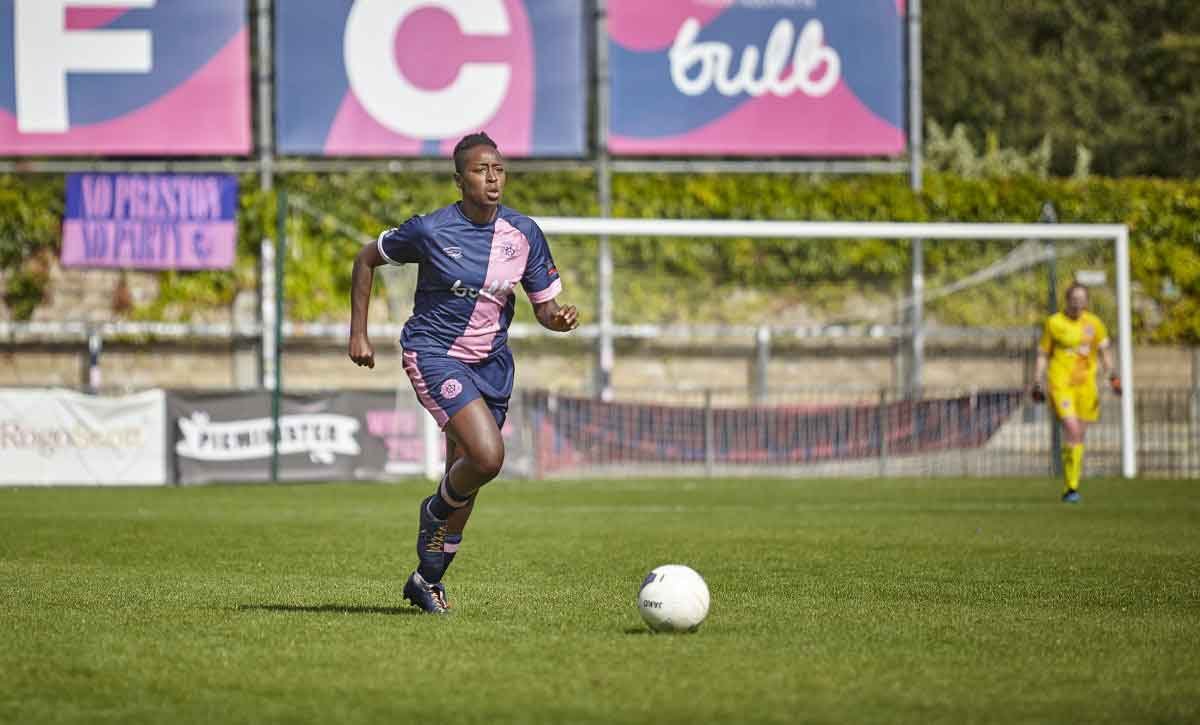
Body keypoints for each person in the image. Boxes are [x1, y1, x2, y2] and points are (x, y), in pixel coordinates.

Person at [348, 132, 579, 613]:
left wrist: (556, 319)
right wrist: (359, 334)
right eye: (480, 170)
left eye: (498, 169)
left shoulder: (524, 234)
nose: (492, 178)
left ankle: (426, 580)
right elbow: (366, 257)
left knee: (466, 478)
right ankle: (432, 511)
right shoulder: (432, 231)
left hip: (492, 364)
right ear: (459, 180)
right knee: (488, 457)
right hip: (433, 353)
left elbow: (544, 305)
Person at [1031, 283, 1121, 503]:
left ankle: (1072, 484)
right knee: (1071, 428)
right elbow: (1043, 353)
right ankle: (1071, 487)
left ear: (1087, 301)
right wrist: (1037, 380)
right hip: (1061, 384)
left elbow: (1104, 351)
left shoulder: (1094, 323)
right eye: (1075, 298)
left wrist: (1113, 376)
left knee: (1079, 433)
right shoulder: (1054, 323)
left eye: (1082, 298)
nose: (1078, 302)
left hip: (1086, 386)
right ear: (1067, 299)